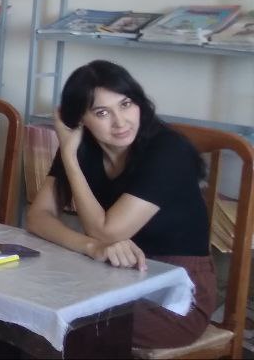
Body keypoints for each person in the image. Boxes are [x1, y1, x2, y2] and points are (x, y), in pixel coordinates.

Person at [25, 60, 215, 349]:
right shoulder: (83, 145)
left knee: (73, 323)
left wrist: (69, 158)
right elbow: (38, 216)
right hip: (112, 275)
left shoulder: (168, 150)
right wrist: (90, 247)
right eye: (102, 112)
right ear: (80, 120)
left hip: (177, 291)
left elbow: (108, 232)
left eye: (126, 104)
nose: (120, 122)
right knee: (31, 303)